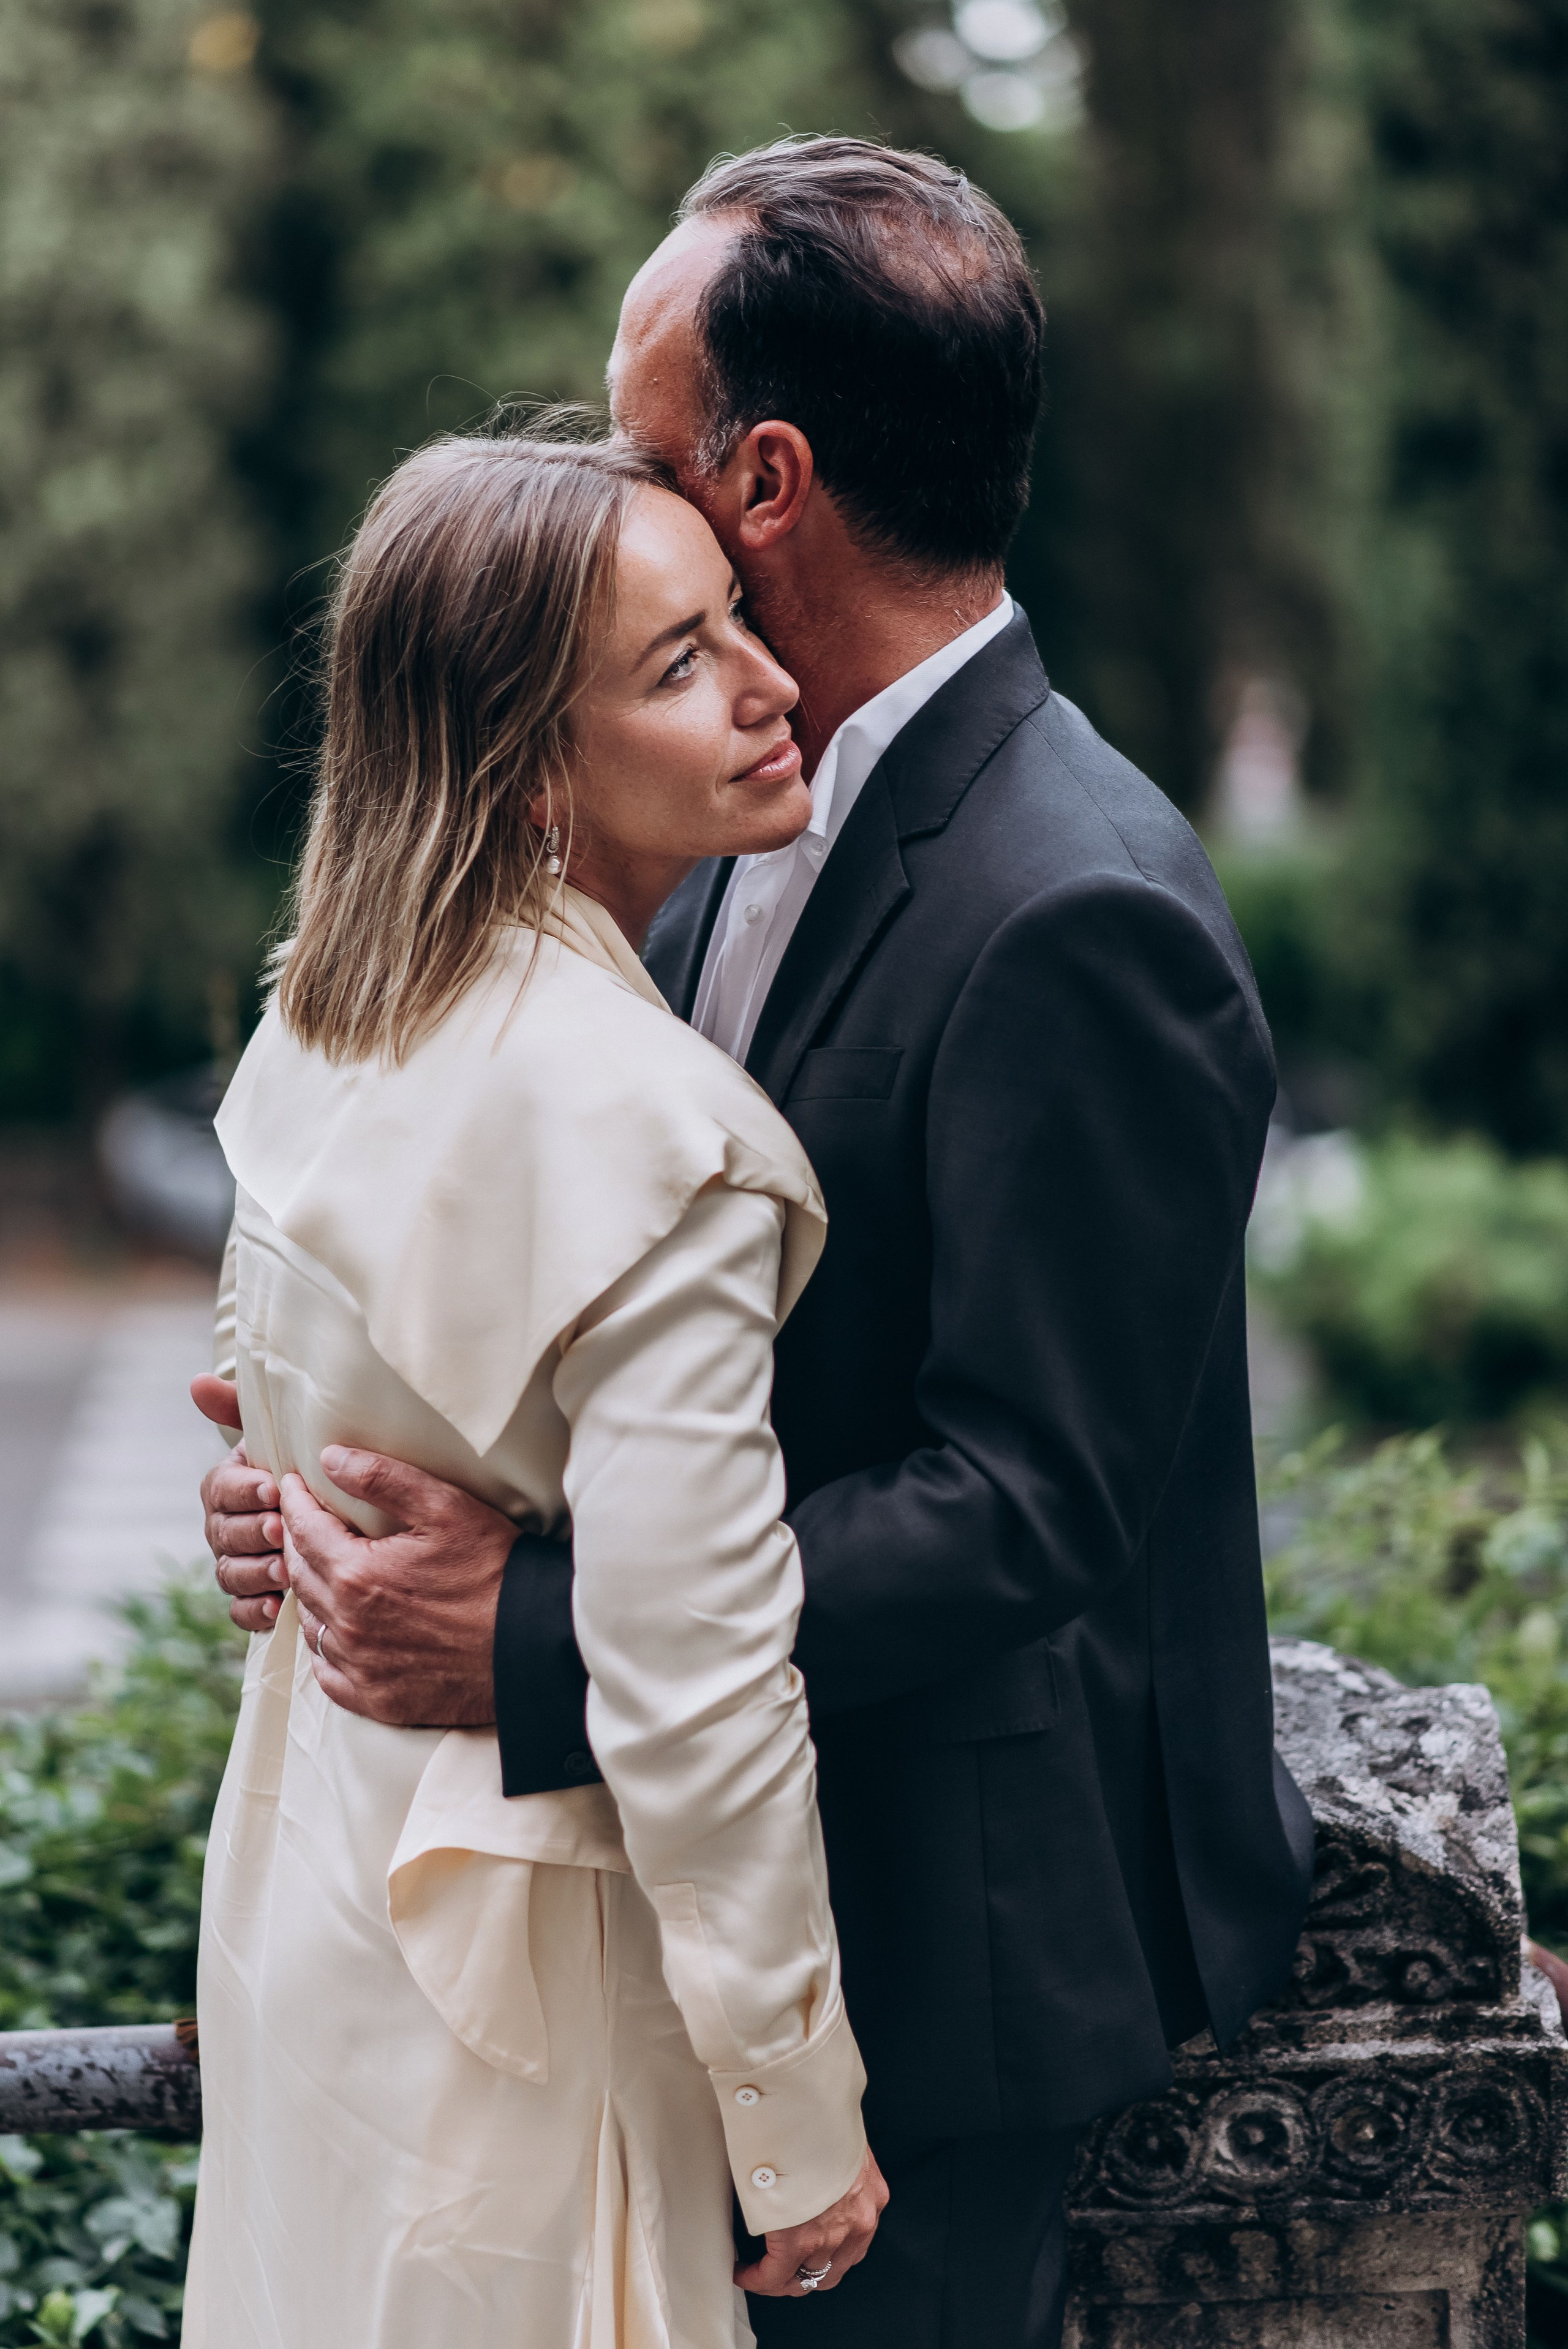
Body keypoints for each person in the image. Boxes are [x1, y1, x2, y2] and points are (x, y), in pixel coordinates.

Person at [202, 138, 1315, 2349]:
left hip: (932, 1937)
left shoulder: (1080, 901)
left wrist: (525, 1632)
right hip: (662, 1897)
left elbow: (1035, 1503)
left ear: (768, 476)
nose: (610, 498)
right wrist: (333, 1475)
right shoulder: (714, 782)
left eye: (644, 452)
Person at [183, 430, 886, 2349]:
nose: (770, 680)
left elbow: (267, 1420)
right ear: (523, 759)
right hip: (526, 1993)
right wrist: (798, 2117)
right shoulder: (664, 1144)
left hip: (315, 1910)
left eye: (735, 618)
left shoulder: (322, 1015)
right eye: (678, 663)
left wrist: (260, 1502)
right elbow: (701, 1678)